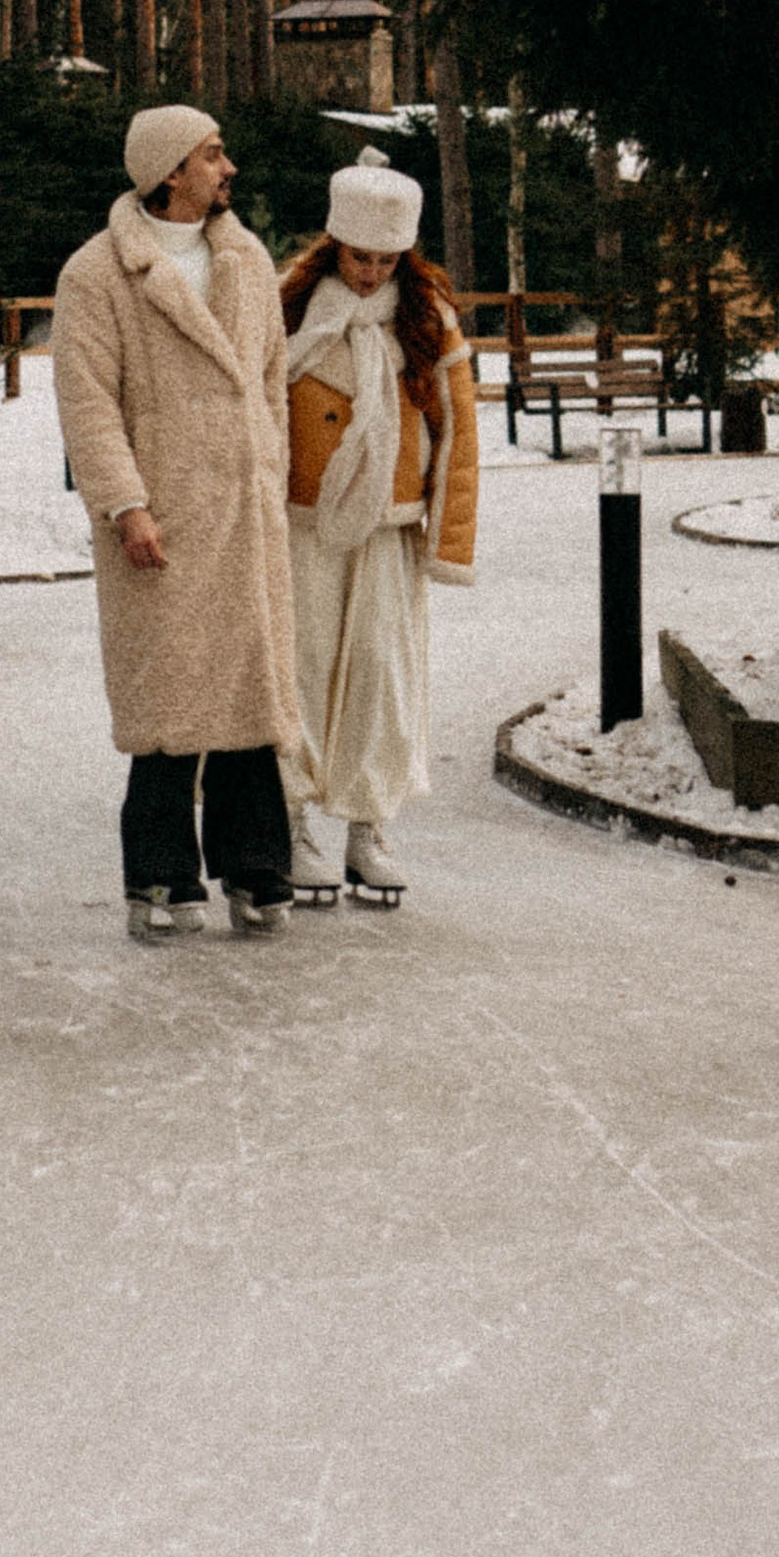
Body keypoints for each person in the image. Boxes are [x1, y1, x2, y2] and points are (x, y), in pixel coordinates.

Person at [53, 105, 301, 942]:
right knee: (168, 700)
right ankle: (160, 876)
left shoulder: (247, 257)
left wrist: (269, 472)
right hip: (159, 521)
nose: (227, 168)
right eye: (211, 154)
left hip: (242, 511)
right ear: (169, 173)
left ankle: (257, 865)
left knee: (246, 690)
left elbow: (270, 384)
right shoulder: (99, 275)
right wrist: (126, 506)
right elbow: (88, 406)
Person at [279, 148, 480, 906]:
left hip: (389, 527)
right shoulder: (291, 310)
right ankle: (294, 817)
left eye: (386, 259)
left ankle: (367, 827)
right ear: (336, 245)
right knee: (302, 665)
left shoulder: (430, 322)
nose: (370, 273)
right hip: (302, 520)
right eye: (359, 257)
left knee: (379, 673)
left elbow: (458, 436)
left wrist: (449, 540)